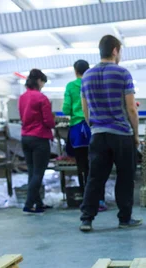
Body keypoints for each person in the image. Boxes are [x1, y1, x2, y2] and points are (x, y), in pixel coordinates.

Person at [79, 35, 141, 232]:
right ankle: (124, 218)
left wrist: (94, 126)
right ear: (115, 50)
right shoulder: (123, 73)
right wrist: (136, 134)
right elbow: (131, 108)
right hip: (121, 134)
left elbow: (85, 108)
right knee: (124, 177)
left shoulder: (87, 75)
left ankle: (87, 219)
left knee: (95, 178)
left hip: (98, 134)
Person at [63, 59, 107, 212]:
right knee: (98, 166)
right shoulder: (95, 83)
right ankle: (100, 200)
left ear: (75, 71)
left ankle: (86, 200)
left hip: (77, 130)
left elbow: (66, 108)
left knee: (82, 167)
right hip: (95, 127)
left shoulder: (70, 86)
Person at [18, 68, 55, 214]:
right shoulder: (41, 98)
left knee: (32, 172)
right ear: (39, 81)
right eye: (43, 83)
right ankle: (28, 204)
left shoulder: (22, 97)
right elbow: (48, 121)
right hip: (40, 138)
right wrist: (54, 123)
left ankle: (38, 203)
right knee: (39, 172)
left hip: (25, 137)